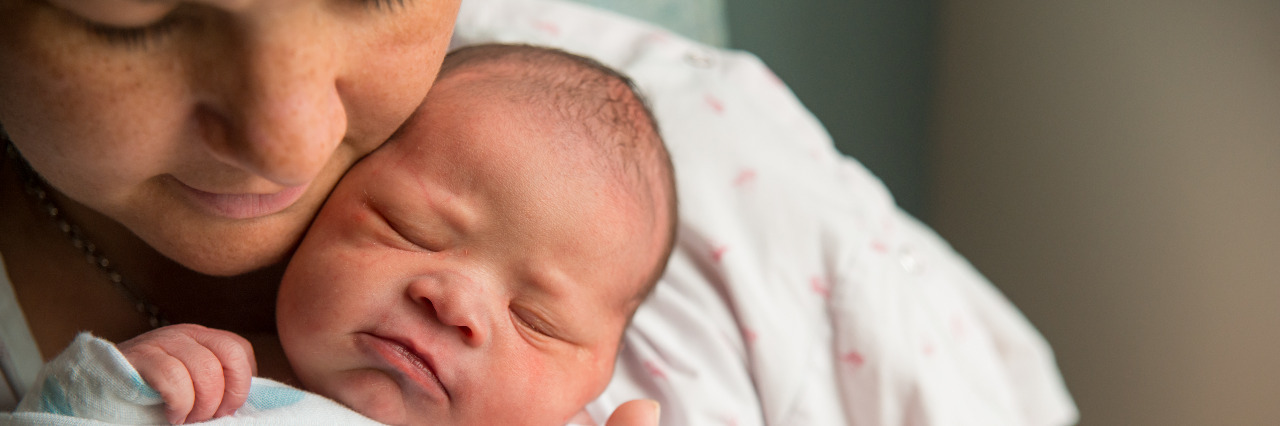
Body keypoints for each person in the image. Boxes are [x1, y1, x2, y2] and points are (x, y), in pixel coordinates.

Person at [4, 44, 676, 426]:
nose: (454, 301)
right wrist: (115, 390)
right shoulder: (212, 394)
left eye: (537, 320)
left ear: (595, 379)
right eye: (407, 229)